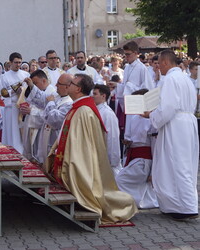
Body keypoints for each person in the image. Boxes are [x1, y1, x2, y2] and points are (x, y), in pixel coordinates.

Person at [47, 74, 137, 224]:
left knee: (98, 194)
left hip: (80, 163)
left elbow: (80, 145)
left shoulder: (84, 111)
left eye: (72, 84)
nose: (68, 85)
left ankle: (120, 204)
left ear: (78, 89)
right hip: (72, 158)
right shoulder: (79, 108)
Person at [143, 50, 199, 220]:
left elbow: (168, 108)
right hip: (187, 123)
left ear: (166, 63)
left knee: (177, 164)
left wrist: (150, 115)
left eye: (159, 63)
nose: (158, 67)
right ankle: (175, 205)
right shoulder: (185, 78)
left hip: (175, 126)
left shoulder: (170, 79)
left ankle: (187, 207)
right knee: (184, 164)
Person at [116, 89, 158, 209]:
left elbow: (154, 145)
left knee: (120, 180)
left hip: (144, 159)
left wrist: (153, 171)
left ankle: (129, 203)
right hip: (134, 155)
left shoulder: (152, 119)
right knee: (127, 180)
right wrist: (128, 142)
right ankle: (138, 201)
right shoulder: (134, 118)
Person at [24, 73, 73, 163]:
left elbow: (54, 120)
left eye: (59, 83)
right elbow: (43, 99)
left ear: (67, 86)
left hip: (55, 139)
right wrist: (32, 86)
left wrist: (50, 103)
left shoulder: (69, 103)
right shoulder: (57, 96)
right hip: (47, 137)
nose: (56, 85)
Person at [0, 52, 30, 154]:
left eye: (20, 62)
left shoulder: (25, 75)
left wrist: (24, 91)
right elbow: (1, 94)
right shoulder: (5, 76)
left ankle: (23, 152)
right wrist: (14, 91)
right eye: (16, 62)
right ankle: (10, 151)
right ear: (10, 62)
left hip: (22, 107)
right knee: (11, 132)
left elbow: (30, 90)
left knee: (21, 132)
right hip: (11, 108)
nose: (18, 65)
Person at [21, 70, 56, 160]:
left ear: (44, 81)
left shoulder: (52, 92)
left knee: (41, 154)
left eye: (35, 83)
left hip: (44, 129)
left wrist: (31, 111)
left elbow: (49, 114)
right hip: (34, 125)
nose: (35, 87)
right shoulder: (42, 91)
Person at [92, 84, 122, 178]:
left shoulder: (108, 113)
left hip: (104, 158)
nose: (92, 96)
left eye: (95, 94)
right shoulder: (95, 110)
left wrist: (113, 161)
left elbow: (112, 138)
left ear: (103, 96)